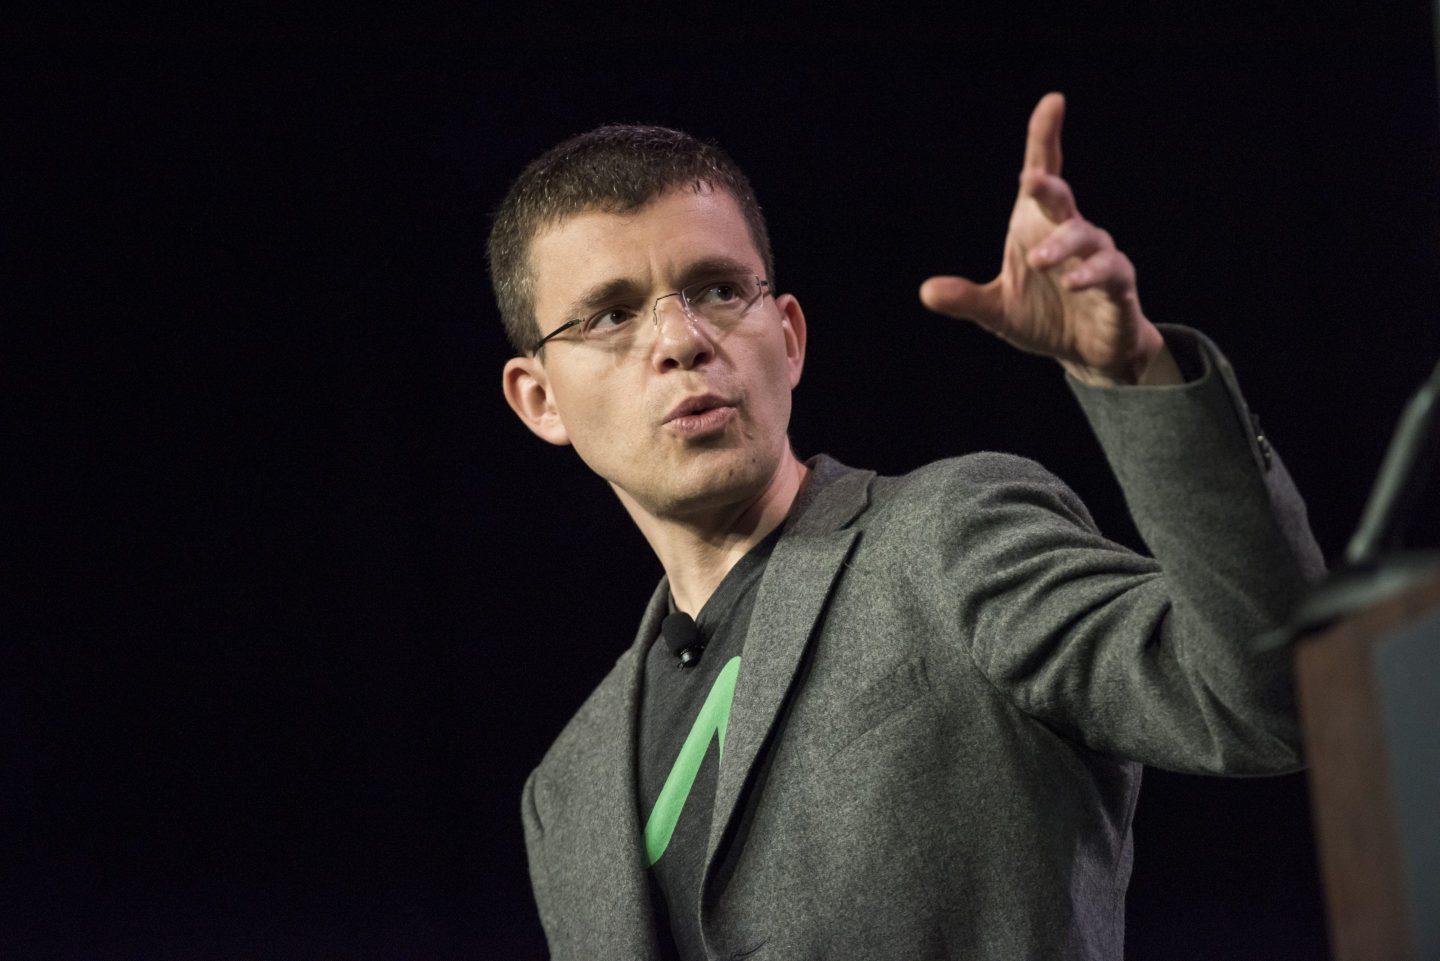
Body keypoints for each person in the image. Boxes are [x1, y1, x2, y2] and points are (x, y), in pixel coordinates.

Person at [489, 93, 1324, 960]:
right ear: (540, 398)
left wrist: (1132, 371)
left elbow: (1273, 698)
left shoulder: (946, 540)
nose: (681, 339)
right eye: (614, 314)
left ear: (791, 337)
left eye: (717, 289)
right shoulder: (568, 788)